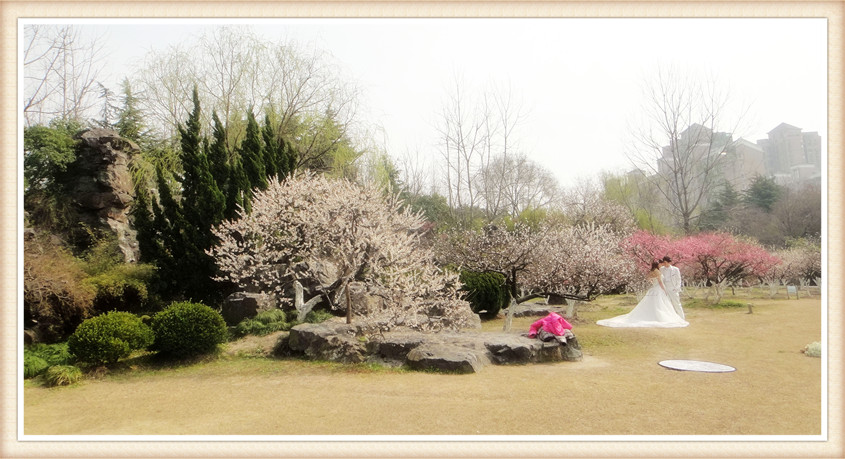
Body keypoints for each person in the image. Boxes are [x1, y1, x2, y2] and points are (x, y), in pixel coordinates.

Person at [596, 260, 688, 328]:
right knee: (661, 304)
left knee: (654, 304)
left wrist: (653, 283)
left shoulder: (652, 271)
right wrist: (664, 289)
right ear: (658, 265)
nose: (662, 265)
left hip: (653, 289)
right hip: (659, 289)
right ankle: (661, 317)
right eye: (660, 263)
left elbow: (648, 279)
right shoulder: (658, 272)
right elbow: (660, 282)